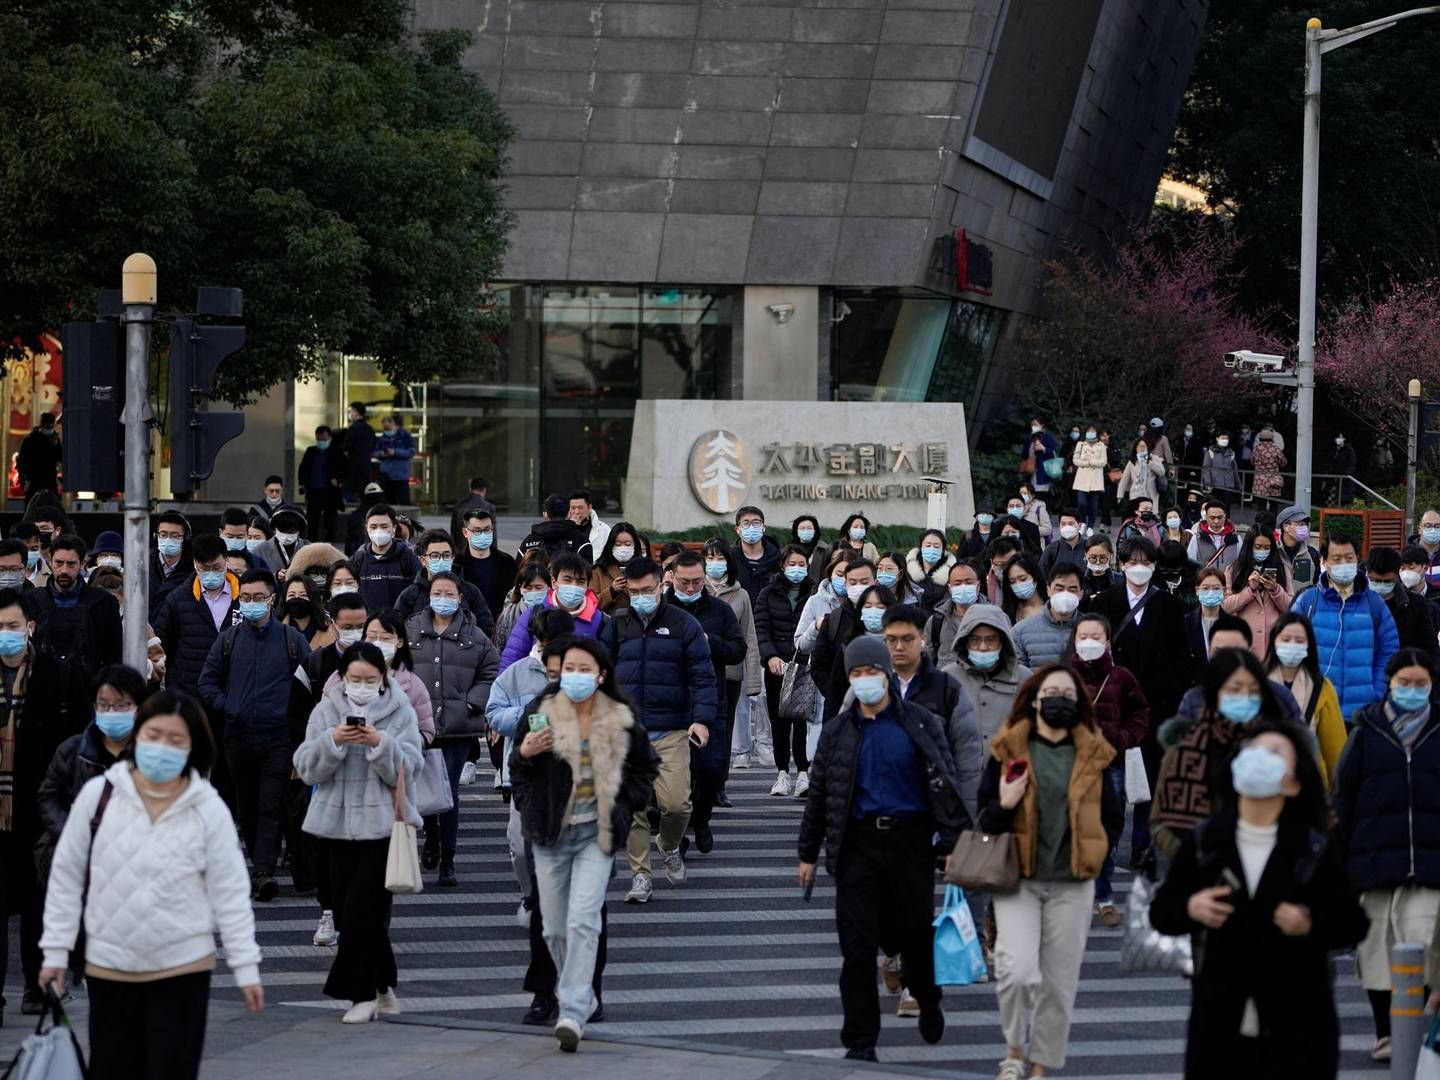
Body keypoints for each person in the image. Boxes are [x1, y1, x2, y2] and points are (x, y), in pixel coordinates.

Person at [38, 691, 262, 1077]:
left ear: (194, 747)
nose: (163, 747)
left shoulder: (208, 806)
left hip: (182, 968)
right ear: (137, 736)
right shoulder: (99, 795)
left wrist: (246, 966)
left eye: (176, 740)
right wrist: (55, 951)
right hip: (110, 966)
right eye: (154, 735)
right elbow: (66, 876)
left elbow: (230, 893)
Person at [1150, 720, 1369, 1078]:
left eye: (1273, 753)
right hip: (1221, 1017)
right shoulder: (1206, 842)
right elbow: (1162, 912)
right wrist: (1192, 907)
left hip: (1298, 1016)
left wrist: (1309, 922)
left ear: (1294, 781)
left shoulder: (1314, 845)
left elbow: (1352, 923)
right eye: (1251, 751)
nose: (1258, 759)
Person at [797, 635, 967, 1062]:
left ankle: (928, 999)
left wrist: (951, 845)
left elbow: (945, 784)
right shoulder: (838, 732)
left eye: (872, 672)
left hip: (911, 844)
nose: (865, 680)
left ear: (887, 675)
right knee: (856, 950)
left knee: (914, 938)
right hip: (858, 846)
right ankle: (860, 1040)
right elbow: (821, 793)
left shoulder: (921, 723)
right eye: (857, 674)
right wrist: (808, 853)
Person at [512, 635, 656, 1052]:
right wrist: (524, 756)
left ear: (601, 675)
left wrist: (625, 808)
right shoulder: (541, 711)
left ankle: (573, 1009)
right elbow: (517, 768)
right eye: (568, 670)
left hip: (597, 833)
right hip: (549, 833)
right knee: (554, 928)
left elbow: (644, 767)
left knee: (583, 919)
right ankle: (580, 992)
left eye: (584, 670)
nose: (574, 677)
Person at [977, 665, 1121, 1080]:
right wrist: (1004, 803)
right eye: (1050, 691)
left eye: (1067, 693)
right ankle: (1014, 1050)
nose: (1058, 699)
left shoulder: (1093, 753)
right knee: (1015, 970)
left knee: (1058, 983)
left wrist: (1097, 850)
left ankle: (1039, 1066)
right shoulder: (1010, 749)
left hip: (1072, 884)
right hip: (1018, 878)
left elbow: (1111, 817)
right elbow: (984, 819)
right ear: (1034, 699)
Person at [294, 642, 422, 1025]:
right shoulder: (326, 710)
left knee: (360, 913)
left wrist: (380, 744)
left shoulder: (400, 711)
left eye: (370, 679)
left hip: (382, 827)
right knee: (352, 913)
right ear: (343, 678)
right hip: (334, 827)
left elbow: (411, 766)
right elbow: (305, 767)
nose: (362, 686)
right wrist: (333, 741)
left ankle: (359, 994)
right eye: (355, 679)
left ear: (383, 678)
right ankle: (383, 984)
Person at [1332, 648, 1440, 1064]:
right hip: (1374, 859)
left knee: (1424, 943)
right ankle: (1384, 1032)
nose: (1412, 691)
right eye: (1404, 684)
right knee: (1376, 950)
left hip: (1430, 861)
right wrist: (1342, 860)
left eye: (1421, 684)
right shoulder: (1367, 731)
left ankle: (1415, 1030)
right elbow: (1344, 798)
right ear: (1389, 684)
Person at [597, 557, 718, 905]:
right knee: (633, 809)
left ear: (661, 586)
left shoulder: (684, 624)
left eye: (647, 590)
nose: (641, 597)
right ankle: (641, 876)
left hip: (672, 730)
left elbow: (702, 675)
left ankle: (668, 846)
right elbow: (599, 674)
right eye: (634, 592)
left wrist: (702, 719)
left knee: (677, 805)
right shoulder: (616, 625)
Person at [0, 586, 91, 1020]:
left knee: (39, 902)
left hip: (38, 807)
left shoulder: (57, 676)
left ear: (30, 628)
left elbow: (75, 739)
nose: (6, 635)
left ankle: (36, 987)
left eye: (13, 627)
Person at [198, 568, 311, 900]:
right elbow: (206, 682)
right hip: (237, 737)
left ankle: (263, 872)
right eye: (245, 598)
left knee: (269, 804)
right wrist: (230, 705)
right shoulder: (229, 640)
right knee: (246, 806)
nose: (252, 604)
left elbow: (309, 687)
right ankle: (259, 863)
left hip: (278, 738)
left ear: (272, 600)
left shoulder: (293, 641)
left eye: (258, 598)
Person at [34, 664, 149, 988]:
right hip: (87, 864)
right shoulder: (74, 750)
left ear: (139, 707)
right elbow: (49, 795)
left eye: (121, 705)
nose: (112, 712)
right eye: (104, 705)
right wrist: (71, 833)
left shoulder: (153, 754)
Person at [1082, 535, 1187, 866]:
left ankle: (1142, 847)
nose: (1139, 568)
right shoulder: (1104, 603)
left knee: (1149, 781)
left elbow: (1179, 658)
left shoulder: (1168, 604)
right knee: (1110, 781)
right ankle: (1107, 847)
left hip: (1156, 705)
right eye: (1132, 562)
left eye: (1146, 562)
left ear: (1154, 566)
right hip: (1113, 707)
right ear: (1121, 564)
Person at [1151, 646, 1291, 859]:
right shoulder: (1185, 748)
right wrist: (1194, 854)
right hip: (1200, 874)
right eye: (1235, 689)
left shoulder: (1280, 747)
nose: (1245, 697)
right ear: (1215, 693)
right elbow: (1160, 823)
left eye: (1253, 691)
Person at [406, 571, 499, 886]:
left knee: (448, 789)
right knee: (426, 787)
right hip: (420, 724)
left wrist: (474, 701)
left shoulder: (473, 635)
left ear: (460, 598)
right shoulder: (411, 630)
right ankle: (430, 833)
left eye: (449, 593)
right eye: (437, 592)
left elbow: (491, 669)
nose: (443, 598)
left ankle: (448, 857)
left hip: (458, 726)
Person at [1068, 614, 1148, 926]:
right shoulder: (1063, 676)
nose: (1089, 642)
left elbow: (1141, 712)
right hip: (1071, 766)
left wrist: (1123, 739)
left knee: (1108, 832)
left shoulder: (1121, 677)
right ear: (1074, 640)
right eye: (1083, 636)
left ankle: (1103, 895)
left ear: (1107, 641)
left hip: (1110, 764)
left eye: (1095, 636)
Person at [668, 550, 745, 848]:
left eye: (697, 582)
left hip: (711, 700)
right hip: (671, 703)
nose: (690, 588)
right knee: (678, 773)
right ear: (673, 577)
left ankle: (702, 818)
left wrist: (708, 641)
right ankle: (680, 831)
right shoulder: (661, 608)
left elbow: (738, 650)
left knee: (711, 768)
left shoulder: (719, 610)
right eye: (684, 582)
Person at [1290, 534, 1399, 719]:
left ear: (1358, 559)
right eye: (1337, 559)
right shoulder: (1308, 601)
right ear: (1325, 562)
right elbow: (1290, 647)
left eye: (1349, 558)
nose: (1344, 564)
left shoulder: (1375, 604)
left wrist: (1376, 692)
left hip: (1362, 712)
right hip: (1316, 709)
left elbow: (1389, 652)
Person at [755, 544, 818, 793]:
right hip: (778, 666)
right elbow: (762, 629)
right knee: (779, 721)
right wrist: (769, 656)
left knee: (802, 720)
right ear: (782, 566)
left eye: (802, 564)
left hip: (805, 664)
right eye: (792, 564)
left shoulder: (813, 592)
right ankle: (782, 773)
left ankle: (803, 772)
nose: (797, 569)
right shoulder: (768, 593)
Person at [153, 535, 238, 707]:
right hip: (189, 695)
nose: (211, 573)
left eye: (217, 567)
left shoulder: (245, 597)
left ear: (226, 561)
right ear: (195, 564)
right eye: (205, 568)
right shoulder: (177, 599)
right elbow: (161, 647)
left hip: (235, 692)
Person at [1262, 612, 1346, 781]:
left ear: (1309, 645)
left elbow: (1334, 746)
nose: (1292, 645)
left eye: (1299, 641)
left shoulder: (1322, 687)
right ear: (1274, 642)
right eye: (1286, 639)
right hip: (1264, 777)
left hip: (1310, 779)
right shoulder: (1258, 684)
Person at [27, 533, 122, 680]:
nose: (64, 570)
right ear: (50, 560)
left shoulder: (103, 603)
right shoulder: (32, 600)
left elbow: (113, 656)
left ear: (82, 564)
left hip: (88, 691)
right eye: (59, 563)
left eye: (71, 564)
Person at [941, 606, 1030, 747]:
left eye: (990, 640)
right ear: (965, 642)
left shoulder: (1023, 677)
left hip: (1008, 766)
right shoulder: (948, 677)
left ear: (1002, 642)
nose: (982, 647)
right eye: (975, 640)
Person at [500, 553, 606, 669]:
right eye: (567, 580)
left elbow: (605, 664)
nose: (573, 586)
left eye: (580, 582)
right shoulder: (534, 614)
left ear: (587, 585)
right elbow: (512, 657)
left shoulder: (599, 619)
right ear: (554, 582)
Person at [810, 558, 879, 722]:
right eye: (853, 582)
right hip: (839, 710)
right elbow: (818, 663)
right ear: (846, 585)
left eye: (864, 581)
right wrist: (833, 691)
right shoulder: (834, 619)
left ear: (875, 582)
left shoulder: (886, 616)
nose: (858, 587)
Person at [394, 529, 495, 634]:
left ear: (452, 558)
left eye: (446, 555)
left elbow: (486, 628)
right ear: (423, 560)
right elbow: (398, 631)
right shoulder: (410, 595)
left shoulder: (470, 592)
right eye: (435, 556)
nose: (441, 560)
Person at [1221, 527, 1291, 659]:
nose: (1262, 551)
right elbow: (1226, 606)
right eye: (1258, 547)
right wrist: (1250, 590)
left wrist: (1275, 590)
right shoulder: (1234, 569)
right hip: (1245, 643)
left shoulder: (1282, 569)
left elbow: (1291, 608)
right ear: (1249, 547)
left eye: (1267, 547)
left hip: (1275, 644)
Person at [349, 503, 424, 612]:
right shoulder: (358, 559)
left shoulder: (408, 558)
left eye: (384, 526)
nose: (378, 531)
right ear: (366, 528)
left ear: (394, 528)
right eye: (373, 527)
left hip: (398, 625)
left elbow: (420, 595)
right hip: (367, 626)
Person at [1366, 545, 1436, 655]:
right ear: (1367, 574)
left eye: (1388, 581)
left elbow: (1430, 648)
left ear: (1396, 575)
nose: (1382, 585)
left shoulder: (1415, 604)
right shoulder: (1352, 603)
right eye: (1377, 581)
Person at [453, 507, 517, 623]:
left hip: (500, 624)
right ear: (465, 532)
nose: (483, 534)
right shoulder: (456, 564)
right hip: (466, 625)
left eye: (487, 530)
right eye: (477, 531)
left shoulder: (507, 562)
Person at [1012, 564, 1081, 669]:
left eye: (1072, 590)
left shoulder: (1094, 630)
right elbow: (1017, 676)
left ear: (1081, 594)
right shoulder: (1020, 631)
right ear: (1048, 590)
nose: (1065, 595)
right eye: (1059, 589)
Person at [924, 559, 985, 663]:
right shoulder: (937, 620)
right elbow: (927, 658)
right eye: (958, 584)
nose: (963, 587)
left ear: (978, 586)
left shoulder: (993, 617)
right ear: (949, 588)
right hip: (945, 678)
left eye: (968, 582)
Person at [298, 425, 346, 543]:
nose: (321, 442)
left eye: (324, 439)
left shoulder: (336, 451)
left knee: (330, 522)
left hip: (330, 492)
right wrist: (302, 484)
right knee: (312, 520)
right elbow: (303, 468)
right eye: (319, 439)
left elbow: (347, 470)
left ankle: (330, 543)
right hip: (314, 492)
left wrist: (338, 480)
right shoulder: (311, 451)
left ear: (329, 437)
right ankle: (311, 543)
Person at [588, 521, 648, 614]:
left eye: (628, 544)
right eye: (618, 544)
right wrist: (612, 591)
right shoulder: (598, 570)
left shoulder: (645, 568)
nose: (623, 548)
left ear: (635, 545)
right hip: (608, 622)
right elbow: (590, 604)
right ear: (611, 545)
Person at [519, 494, 595, 564]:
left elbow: (518, 572)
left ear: (546, 514)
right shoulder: (581, 541)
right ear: (569, 513)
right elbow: (588, 574)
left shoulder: (529, 541)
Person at [496, 557, 553, 653]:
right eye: (528, 588)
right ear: (520, 588)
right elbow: (500, 647)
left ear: (548, 587)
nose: (533, 592)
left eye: (539, 588)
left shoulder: (556, 612)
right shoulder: (508, 614)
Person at [733, 505, 783, 601]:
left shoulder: (777, 558)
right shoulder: (730, 558)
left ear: (763, 527)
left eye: (756, 523)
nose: (751, 527)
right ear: (738, 529)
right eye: (746, 523)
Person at [1187, 566, 1228, 672]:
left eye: (1216, 588)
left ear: (1224, 590)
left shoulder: (1235, 625)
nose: (1211, 592)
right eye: (1205, 588)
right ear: (1197, 590)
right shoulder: (1184, 623)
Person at [280, 575, 335, 649]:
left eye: (303, 595)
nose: (297, 598)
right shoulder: (276, 630)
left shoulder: (331, 627)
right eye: (291, 595)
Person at [1070, 426, 1107, 530]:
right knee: (1082, 503)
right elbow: (1075, 460)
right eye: (1089, 431)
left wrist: (1092, 462)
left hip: (1096, 480)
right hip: (1082, 479)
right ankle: (1082, 524)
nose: (1090, 433)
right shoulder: (1080, 444)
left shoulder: (1101, 446)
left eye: (1093, 431)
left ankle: (1090, 526)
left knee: (1093, 505)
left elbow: (1103, 462)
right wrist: (1086, 463)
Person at [1186, 499, 1239, 572]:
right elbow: (1190, 564)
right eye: (1212, 518)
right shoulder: (1197, 538)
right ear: (1206, 517)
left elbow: (1241, 564)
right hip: (1205, 582)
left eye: (1220, 518)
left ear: (1225, 516)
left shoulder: (1236, 539)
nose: (1216, 521)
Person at [375, 413, 416, 506]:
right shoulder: (382, 438)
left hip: (401, 475)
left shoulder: (405, 436)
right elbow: (376, 452)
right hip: (386, 475)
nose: (386, 431)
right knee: (388, 502)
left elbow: (411, 452)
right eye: (385, 428)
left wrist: (395, 452)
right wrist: (382, 454)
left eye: (388, 428)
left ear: (395, 424)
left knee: (404, 501)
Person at [252, 507, 308, 575]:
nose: (285, 536)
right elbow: (255, 578)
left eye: (291, 532)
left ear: (300, 530)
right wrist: (275, 576)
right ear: (274, 529)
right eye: (282, 531)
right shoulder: (260, 551)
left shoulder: (310, 549)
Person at [16, 413, 61, 498]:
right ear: (42, 425)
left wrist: (56, 446)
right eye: (48, 427)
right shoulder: (31, 440)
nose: (50, 430)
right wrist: (24, 480)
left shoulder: (54, 439)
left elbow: (60, 458)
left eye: (52, 427)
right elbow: (21, 461)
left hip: (49, 482)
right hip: (35, 482)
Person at [1276, 505, 1320, 590]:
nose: (1305, 528)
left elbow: (1317, 586)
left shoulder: (1312, 554)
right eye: (1300, 524)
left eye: (1306, 524)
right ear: (1286, 527)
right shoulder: (1274, 552)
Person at [998, 553, 1046, 626]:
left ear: (1035, 576)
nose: (1018, 585)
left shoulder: (1052, 606)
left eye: (1023, 579)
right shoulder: (1009, 611)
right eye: (1012, 582)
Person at [342, 402, 376, 500]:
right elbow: (373, 446)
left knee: (348, 492)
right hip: (366, 465)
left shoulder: (353, 428)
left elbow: (346, 446)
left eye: (350, 411)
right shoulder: (369, 429)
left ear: (356, 412)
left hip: (353, 465)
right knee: (364, 493)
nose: (350, 414)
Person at [1037, 510, 1085, 581]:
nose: (1067, 527)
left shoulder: (1089, 547)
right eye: (1063, 524)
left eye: (1071, 524)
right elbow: (1041, 576)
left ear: (1079, 526)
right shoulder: (1051, 549)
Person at [1116, 438, 1164, 506]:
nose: (1142, 448)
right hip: (1135, 494)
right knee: (1136, 514)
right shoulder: (1132, 462)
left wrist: (1150, 463)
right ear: (1136, 448)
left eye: (1144, 446)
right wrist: (1120, 495)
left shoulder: (1154, 458)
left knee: (1149, 514)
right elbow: (1124, 479)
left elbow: (1161, 472)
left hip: (1150, 494)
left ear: (1148, 447)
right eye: (1139, 446)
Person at [449, 476, 496, 542]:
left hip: (462, 550)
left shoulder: (459, 506)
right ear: (484, 490)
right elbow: (493, 536)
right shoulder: (489, 507)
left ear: (470, 489)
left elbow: (453, 533)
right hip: (482, 550)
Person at [567, 488, 611, 557]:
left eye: (580, 508)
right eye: (573, 508)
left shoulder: (604, 530)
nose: (576, 512)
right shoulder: (564, 529)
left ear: (589, 507)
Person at [1250, 427, 1286, 507]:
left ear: (1260, 438)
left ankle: (1261, 519)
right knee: (1274, 504)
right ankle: (1272, 519)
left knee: (1261, 504)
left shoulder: (1256, 449)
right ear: (1272, 439)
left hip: (1260, 480)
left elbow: (1252, 461)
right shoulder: (1276, 449)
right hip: (1273, 480)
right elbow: (1283, 462)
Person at [1079, 535, 1119, 602]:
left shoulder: (1120, 580)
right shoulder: (1078, 580)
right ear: (1085, 555)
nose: (1098, 562)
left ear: (1111, 555)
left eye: (1103, 558)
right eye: (1093, 558)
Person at [1202, 430, 1240, 498]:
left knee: (1227, 506)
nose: (1225, 440)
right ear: (1217, 439)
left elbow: (1235, 470)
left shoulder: (1231, 453)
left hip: (1229, 485)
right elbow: (1206, 469)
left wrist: (1238, 484)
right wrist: (1208, 483)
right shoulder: (1211, 452)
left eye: (1227, 438)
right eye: (1223, 438)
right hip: (1215, 485)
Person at [1328, 432, 1358, 504]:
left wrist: (1347, 473)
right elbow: (1331, 463)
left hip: (1345, 479)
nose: (1338, 439)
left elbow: (1352, 463)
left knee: (1344, 498)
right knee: (1331, 498)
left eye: (1340, 437)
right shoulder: (1334, 450)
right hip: (1334, 478)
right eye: (1337, 438)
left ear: (1344, 439)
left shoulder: (1349, 449)